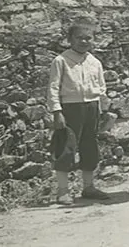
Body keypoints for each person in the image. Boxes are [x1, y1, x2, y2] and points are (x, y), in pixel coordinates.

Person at [48, 17, 109, 205]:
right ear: (70, 39)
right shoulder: (61, 61)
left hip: (92, 107)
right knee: (66, 146)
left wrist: (104, 109)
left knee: (90, 147)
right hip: (70, 108)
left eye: (88, 38)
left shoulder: (95, 62)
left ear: (93, 40)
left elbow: (101, 87)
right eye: (79, 38)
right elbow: (53, 87)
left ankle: (88, 187)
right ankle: (63, 190)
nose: (84, 42)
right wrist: (57, 112)